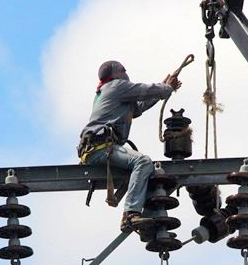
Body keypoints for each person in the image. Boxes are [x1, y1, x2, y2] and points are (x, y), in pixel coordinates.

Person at [77, 60, 181, 232]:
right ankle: (130, 214)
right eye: (124, 71)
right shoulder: (116, 86)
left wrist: (165, 87)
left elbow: (139, 107)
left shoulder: (110, 92)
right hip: (100, 148)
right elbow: (145, 90)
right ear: (118, 74)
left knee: (143, 170)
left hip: (98, 148)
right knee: (143, 162)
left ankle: (146, 219)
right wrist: (166, 88)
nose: (126, 74)